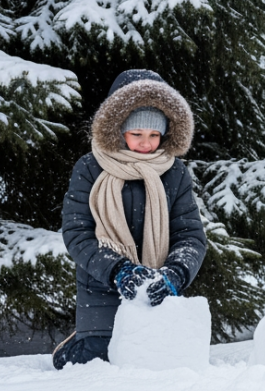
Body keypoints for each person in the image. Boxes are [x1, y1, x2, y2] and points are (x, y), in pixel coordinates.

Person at [52, 70, 208, 369]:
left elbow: (190, 236)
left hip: (155, 286)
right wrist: (118, 270)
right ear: (118, 129)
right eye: (136, 134)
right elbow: (77, 234)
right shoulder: (89, 167)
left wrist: (175, 273)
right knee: (102, 361)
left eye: (154, 135)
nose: (146, 144)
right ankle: (76, 343)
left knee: (161, 363)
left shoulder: (174, 172)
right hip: (101, 285)